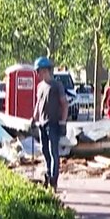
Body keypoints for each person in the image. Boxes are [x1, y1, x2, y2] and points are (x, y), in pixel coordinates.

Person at [32, 56, 68, 190]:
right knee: (44, 151)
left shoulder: (57, 85)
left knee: (54, 152)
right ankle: (48, 174)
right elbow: (38, 104)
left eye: (38, 71)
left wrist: (63, 122)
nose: (37, 74)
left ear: (45, 70)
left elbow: (64, 104)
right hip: (42, 124)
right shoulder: (40, 86)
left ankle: (54, 180)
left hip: (53, 123)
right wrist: (34, 117)